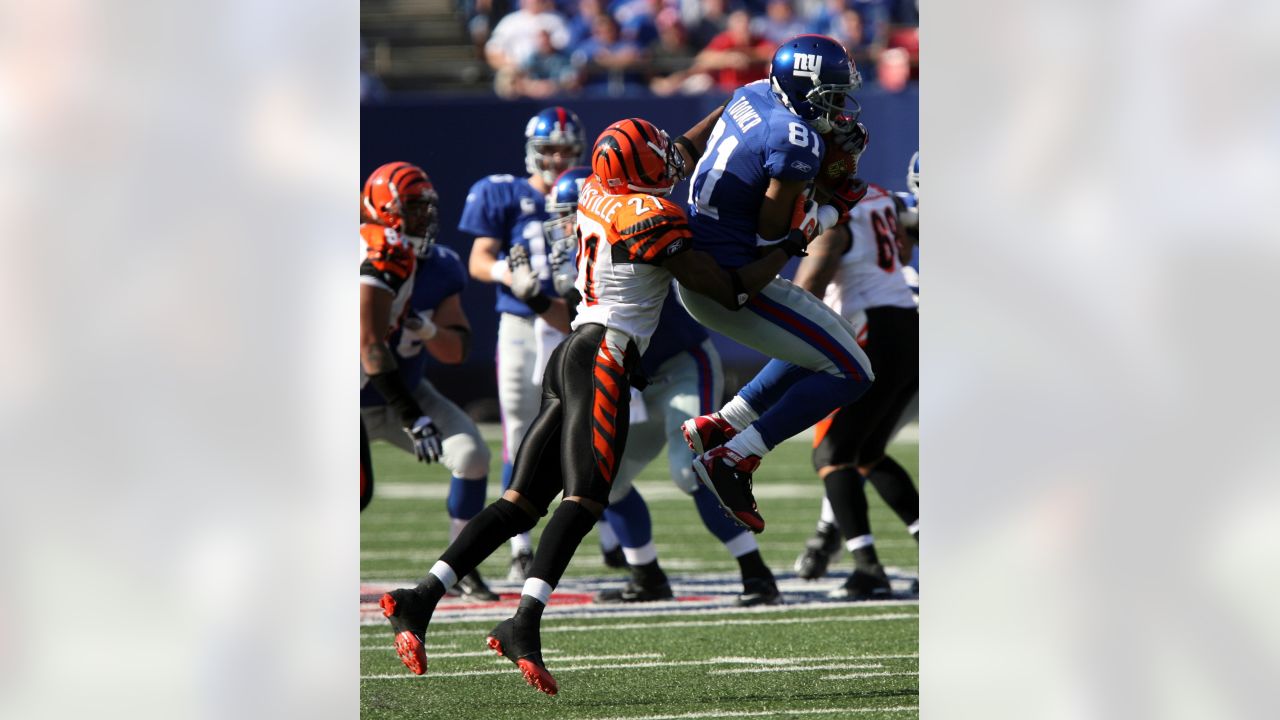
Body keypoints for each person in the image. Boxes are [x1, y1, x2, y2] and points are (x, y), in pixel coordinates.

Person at [379, 117, 815, 692]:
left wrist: (729, 110)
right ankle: (523, 623)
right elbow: (730, 289)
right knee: (585, 499)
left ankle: (420, 598)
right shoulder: (652, 217)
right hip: (607, 354)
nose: (669, 160)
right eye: (655, 156)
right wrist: (789, 243)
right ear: (638, 169)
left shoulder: (594, 190)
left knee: (519, 503)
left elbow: (679, 148)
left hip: (570, 351)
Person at [541, 167, 782, 606]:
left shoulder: (636, 234)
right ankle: (647, 574)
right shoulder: (579, 260)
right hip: (636, 379)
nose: (566, 226)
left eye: (571, 215)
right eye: (563, 217)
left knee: (690, 469)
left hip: (682, 364)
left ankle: (757, 574)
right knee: (604, 479)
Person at [678, 34, 875, 533]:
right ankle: (735, 456)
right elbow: (774, 234)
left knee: (831, 343)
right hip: (733, 280)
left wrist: (680, 151)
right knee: (853, 373)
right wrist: (829, 206)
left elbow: (728, 125)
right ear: (803, 87)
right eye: (829, 94)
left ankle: (722, 424)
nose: (839, 105)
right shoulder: (794, 139)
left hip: (707, 257)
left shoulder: (753, 92)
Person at [358, 162, 498, 601]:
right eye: (414, 210)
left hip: (408, 389)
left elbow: (455, 352)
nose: (424, 220)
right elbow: (369, 343)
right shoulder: (367, 257)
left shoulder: (440, 266)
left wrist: (429, 331)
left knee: (472, 455)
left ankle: (461, 567)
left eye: (426, 210)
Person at [460, 106, 583, 582]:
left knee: (579, 430)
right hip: (519, 323)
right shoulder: (504, 193)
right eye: (549, 149)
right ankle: (520, 545)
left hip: (570, 322)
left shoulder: (585, 193)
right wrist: (509, 275)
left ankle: (611, 540)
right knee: (519, 427)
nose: (556, 158)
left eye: (566, 150)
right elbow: (479, 259)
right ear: (532, 151)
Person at [796, 150, 920, 586]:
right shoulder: (883, 197)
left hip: (873, 329)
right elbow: (906, 237)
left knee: (831, 454)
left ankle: (867, 568)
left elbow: (807, 286)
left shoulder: (838, 216)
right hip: (908, 327)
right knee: (866, 454)